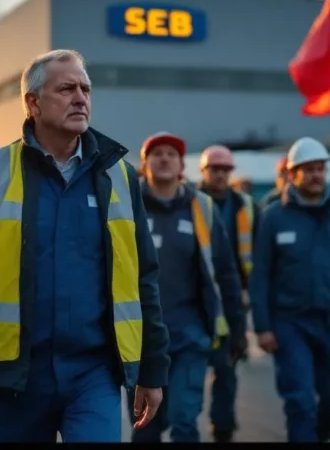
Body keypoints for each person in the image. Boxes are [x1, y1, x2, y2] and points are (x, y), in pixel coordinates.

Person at [0, 49, 169, 442]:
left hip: (95, 373)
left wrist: (152, 370)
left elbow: (144, 278)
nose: (80, 98)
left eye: (85, 89)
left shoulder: (120, 178)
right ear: (33, 103)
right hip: (18, 379)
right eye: (66, 88)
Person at [250, 137, 330, 443]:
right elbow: (261, 275)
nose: (316, 175)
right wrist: (263, 327)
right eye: (308, 169)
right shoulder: (272, 218)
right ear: (292, 174)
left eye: (320, 169)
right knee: (299, 400)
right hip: (289, 323)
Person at [131, 133, 247, 442]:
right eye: (157, 154)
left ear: (182, 165)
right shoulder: (129, 207)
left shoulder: (202, 208)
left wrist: (237, 328)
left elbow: (225, 272)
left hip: (190, 337)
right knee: (147, 427)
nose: (165, 158)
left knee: (185, 422)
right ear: (145, 164)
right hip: (141, 340)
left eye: (172, 154)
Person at [196, 144, 261, 441]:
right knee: (190, 366)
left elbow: (260, 254)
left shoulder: (246, 207)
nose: (220, 175)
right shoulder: (188, 202)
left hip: (232, 297)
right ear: (204, 172)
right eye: (215, 169)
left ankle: (222, 427)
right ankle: (181, 421)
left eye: (225, 170)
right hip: (194, 299)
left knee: (227, 363)